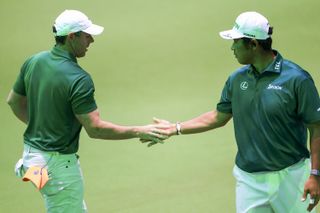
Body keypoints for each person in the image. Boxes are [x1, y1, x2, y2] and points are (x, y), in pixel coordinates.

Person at [147, 11, 320, 212]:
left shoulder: (297, 79)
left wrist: (315, 174)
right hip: (249, 180)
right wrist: (175, 128)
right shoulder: (237, 80)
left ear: (253, 44)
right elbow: (217, 116)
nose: (232, 47)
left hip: (292, 177)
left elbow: (316, 128)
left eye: (236, 41)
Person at [7, 9, 167, 213]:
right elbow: (96, 129)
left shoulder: (33, 61)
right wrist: (139, 131)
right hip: (57, 169)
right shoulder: (78, 78)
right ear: (71, 37)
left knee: (71, 207)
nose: (91, 40)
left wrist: (43, 126)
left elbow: (13, 102)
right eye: (86, 35)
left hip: (32, 159)